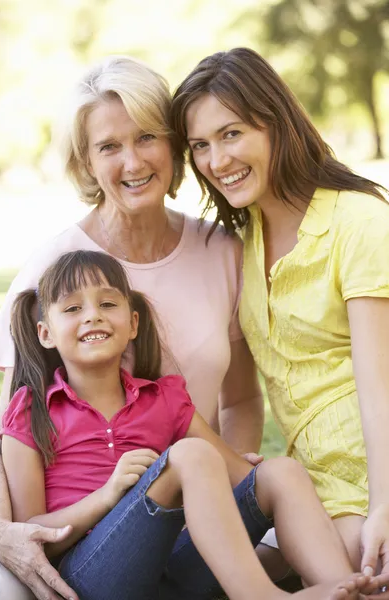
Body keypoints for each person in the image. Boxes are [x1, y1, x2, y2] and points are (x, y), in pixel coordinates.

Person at [0, 56, 264, 599]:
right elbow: (6, 431)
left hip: (195, 507)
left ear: (175, 146)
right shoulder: (59, 267)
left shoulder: (221, 251)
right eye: (109, 146)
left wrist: (226, 505)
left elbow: (241, 403)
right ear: (86, 162)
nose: (132, 161)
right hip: (87, 531)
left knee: (302, 516)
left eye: (147, 138)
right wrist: (1, 532)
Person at [0, 249, 381, 600]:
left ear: (132, 323)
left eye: (107, 303)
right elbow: (33, 533)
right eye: (71, 309)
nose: (92, 315)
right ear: (45, 334)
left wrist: (237, 479)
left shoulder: (163, 399)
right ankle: (260, 596)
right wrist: (107, 496)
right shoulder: (32, 409)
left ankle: (341, 585)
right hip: (90, 577)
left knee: (280, 472)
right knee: (191, 454)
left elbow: (243, 480)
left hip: (173, 569)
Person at [170, 46, 389, 585]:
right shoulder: (238, 246)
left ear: (276, 125)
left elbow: (378, 383)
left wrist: (384, 505)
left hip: (373, 470)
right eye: (200, 145)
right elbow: (239, 398)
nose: (217, 161)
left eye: (232, 134)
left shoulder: (358, 221)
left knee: (361, 566)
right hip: (307, 486)